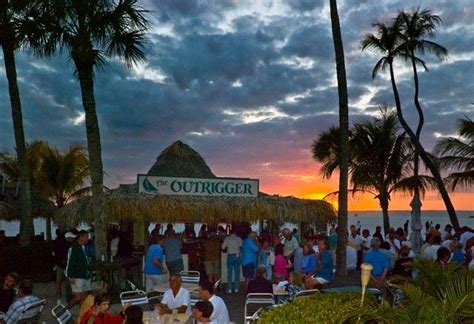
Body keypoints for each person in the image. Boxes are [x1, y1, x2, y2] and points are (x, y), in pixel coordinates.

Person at [66, 230, 92, 310]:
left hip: (85, 274)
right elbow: (70, 262)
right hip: (77, 275)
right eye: (86, 237)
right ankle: (64, 310)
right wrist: (71, 276)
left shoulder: (83, 247)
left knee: (84, 297)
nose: (88, 239)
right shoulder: (74, 248)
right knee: (78, 297)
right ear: (81, 237)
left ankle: (82, 315)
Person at [53, 230, 75, 305]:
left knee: (58, 283)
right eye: (71, 238)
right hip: (65, 267)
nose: (72, 239)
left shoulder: (57, 244)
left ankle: (59, 299)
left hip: (59, 266)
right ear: (67, 238)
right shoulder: (69, 246)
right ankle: (69, 299)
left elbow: (55, 255)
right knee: (67, 284)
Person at [221, 229, 243, 293]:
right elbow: (242, 246)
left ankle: (229, 288)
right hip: (237, 255)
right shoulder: (239, 238)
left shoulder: (227, 238)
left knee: (229, 273)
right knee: (237, 273)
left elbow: (222, 247)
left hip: (230, 255)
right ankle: (236, 288)